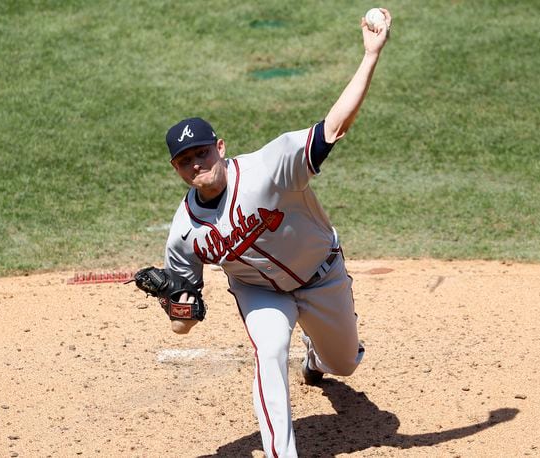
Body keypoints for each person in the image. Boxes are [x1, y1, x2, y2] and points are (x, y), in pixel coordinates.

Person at [158, 9, 391, 457]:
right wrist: (175, 300)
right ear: (176, 169)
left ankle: (316, 356)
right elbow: (181, 326)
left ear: (220, 148)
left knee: (343, 363)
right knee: (268, 350)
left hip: (322, 275)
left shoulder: (269, 167)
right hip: (260, 292)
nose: (197, 165)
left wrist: (370, 55)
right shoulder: (183, 232)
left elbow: (334, 128)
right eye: (185, 161)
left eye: (202, 153)